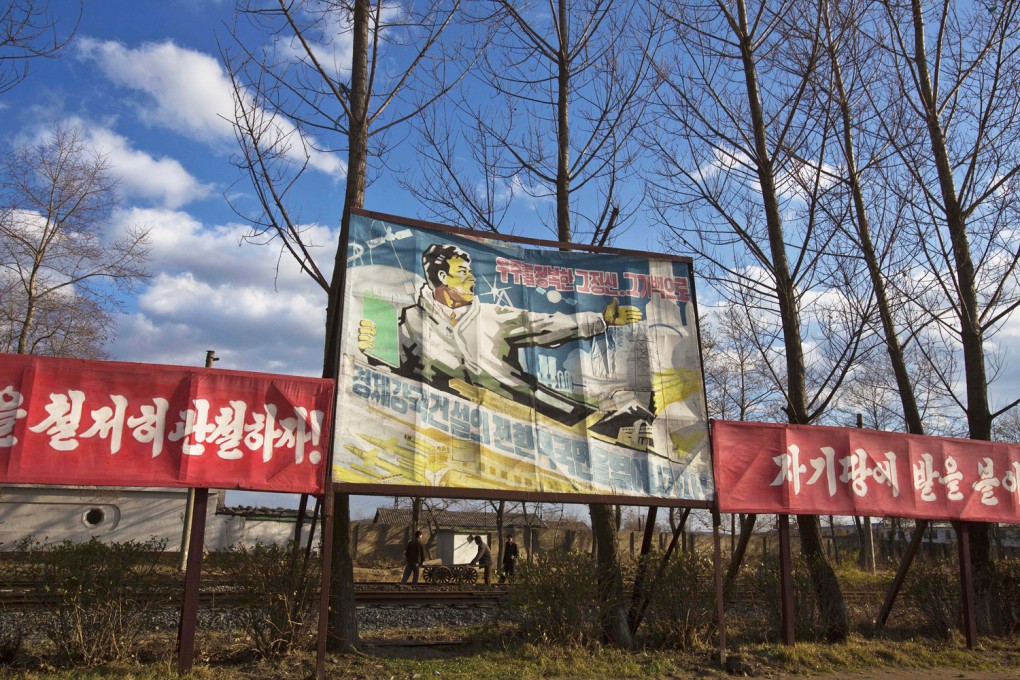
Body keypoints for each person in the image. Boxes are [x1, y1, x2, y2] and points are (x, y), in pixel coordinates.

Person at [358, 243, 642, 425]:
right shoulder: (409, 322)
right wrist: (371, 351)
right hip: (458, 426)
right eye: (463, 273)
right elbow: (392, 375)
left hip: (535, 417)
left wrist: (600, 321)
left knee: (605, 420)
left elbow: (545, 324)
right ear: (443, 278)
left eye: (470, 272)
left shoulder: (492, 316)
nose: (471, 279)